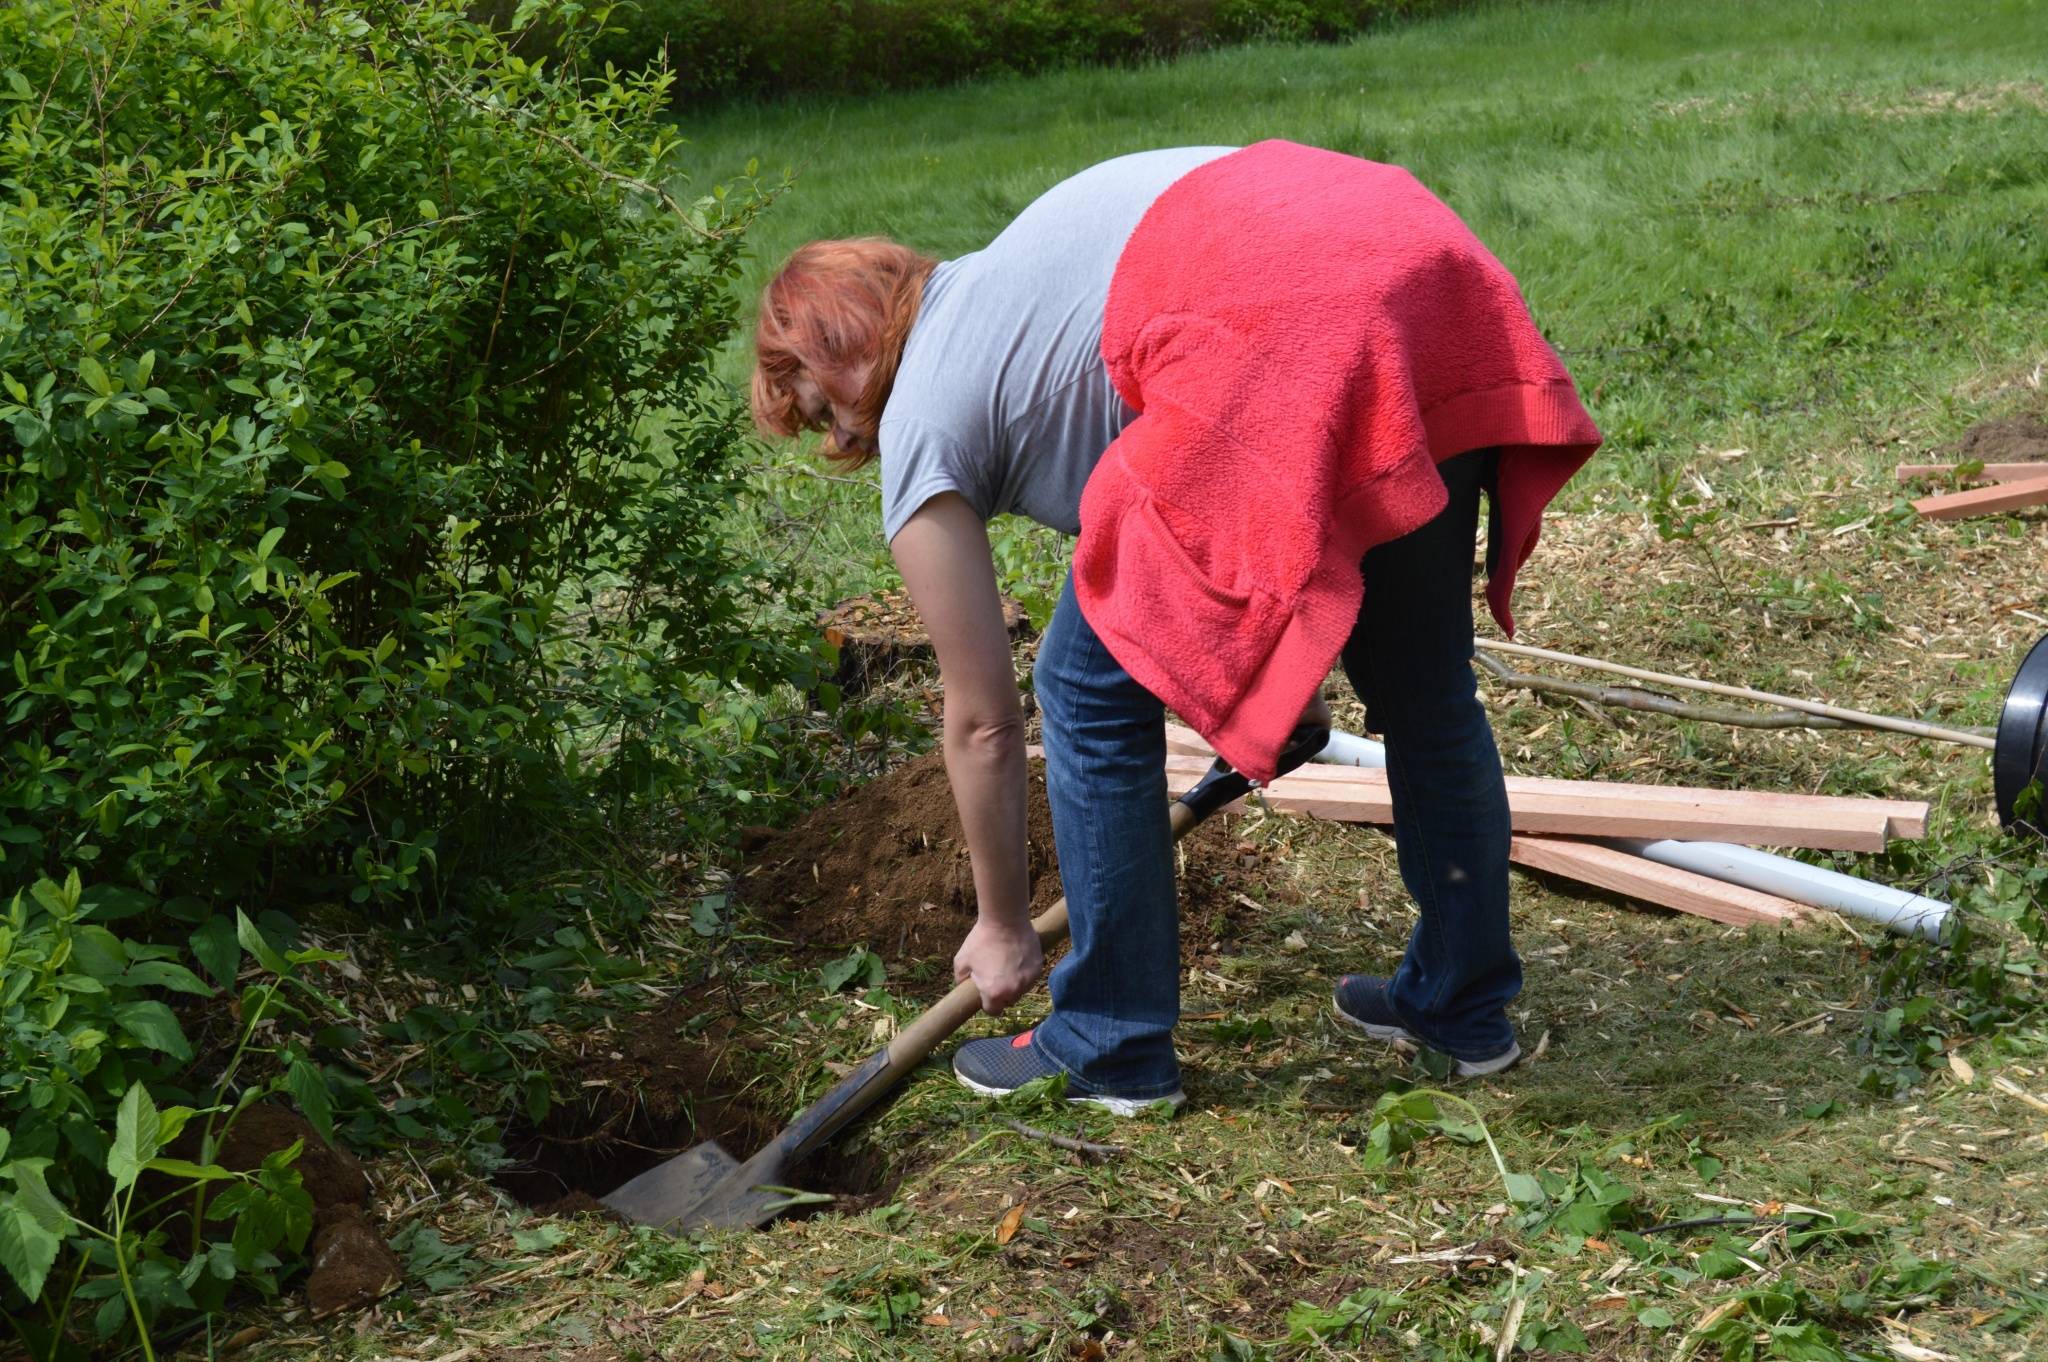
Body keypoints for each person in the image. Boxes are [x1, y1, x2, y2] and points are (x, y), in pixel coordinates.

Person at [751, 141, 1601, 1113]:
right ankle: (1461, 1008)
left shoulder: (923, 414)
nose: (839, 440)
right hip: (1411, 260)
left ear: (836, 350)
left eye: (818, 409)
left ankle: (1109, 1041)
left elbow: (982, 723)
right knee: (1425, 688)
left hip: (1285, 315)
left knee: (1083, 689)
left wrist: (1003, 926)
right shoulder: (1010, 288)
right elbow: (1252, 520)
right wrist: (1273, 682)